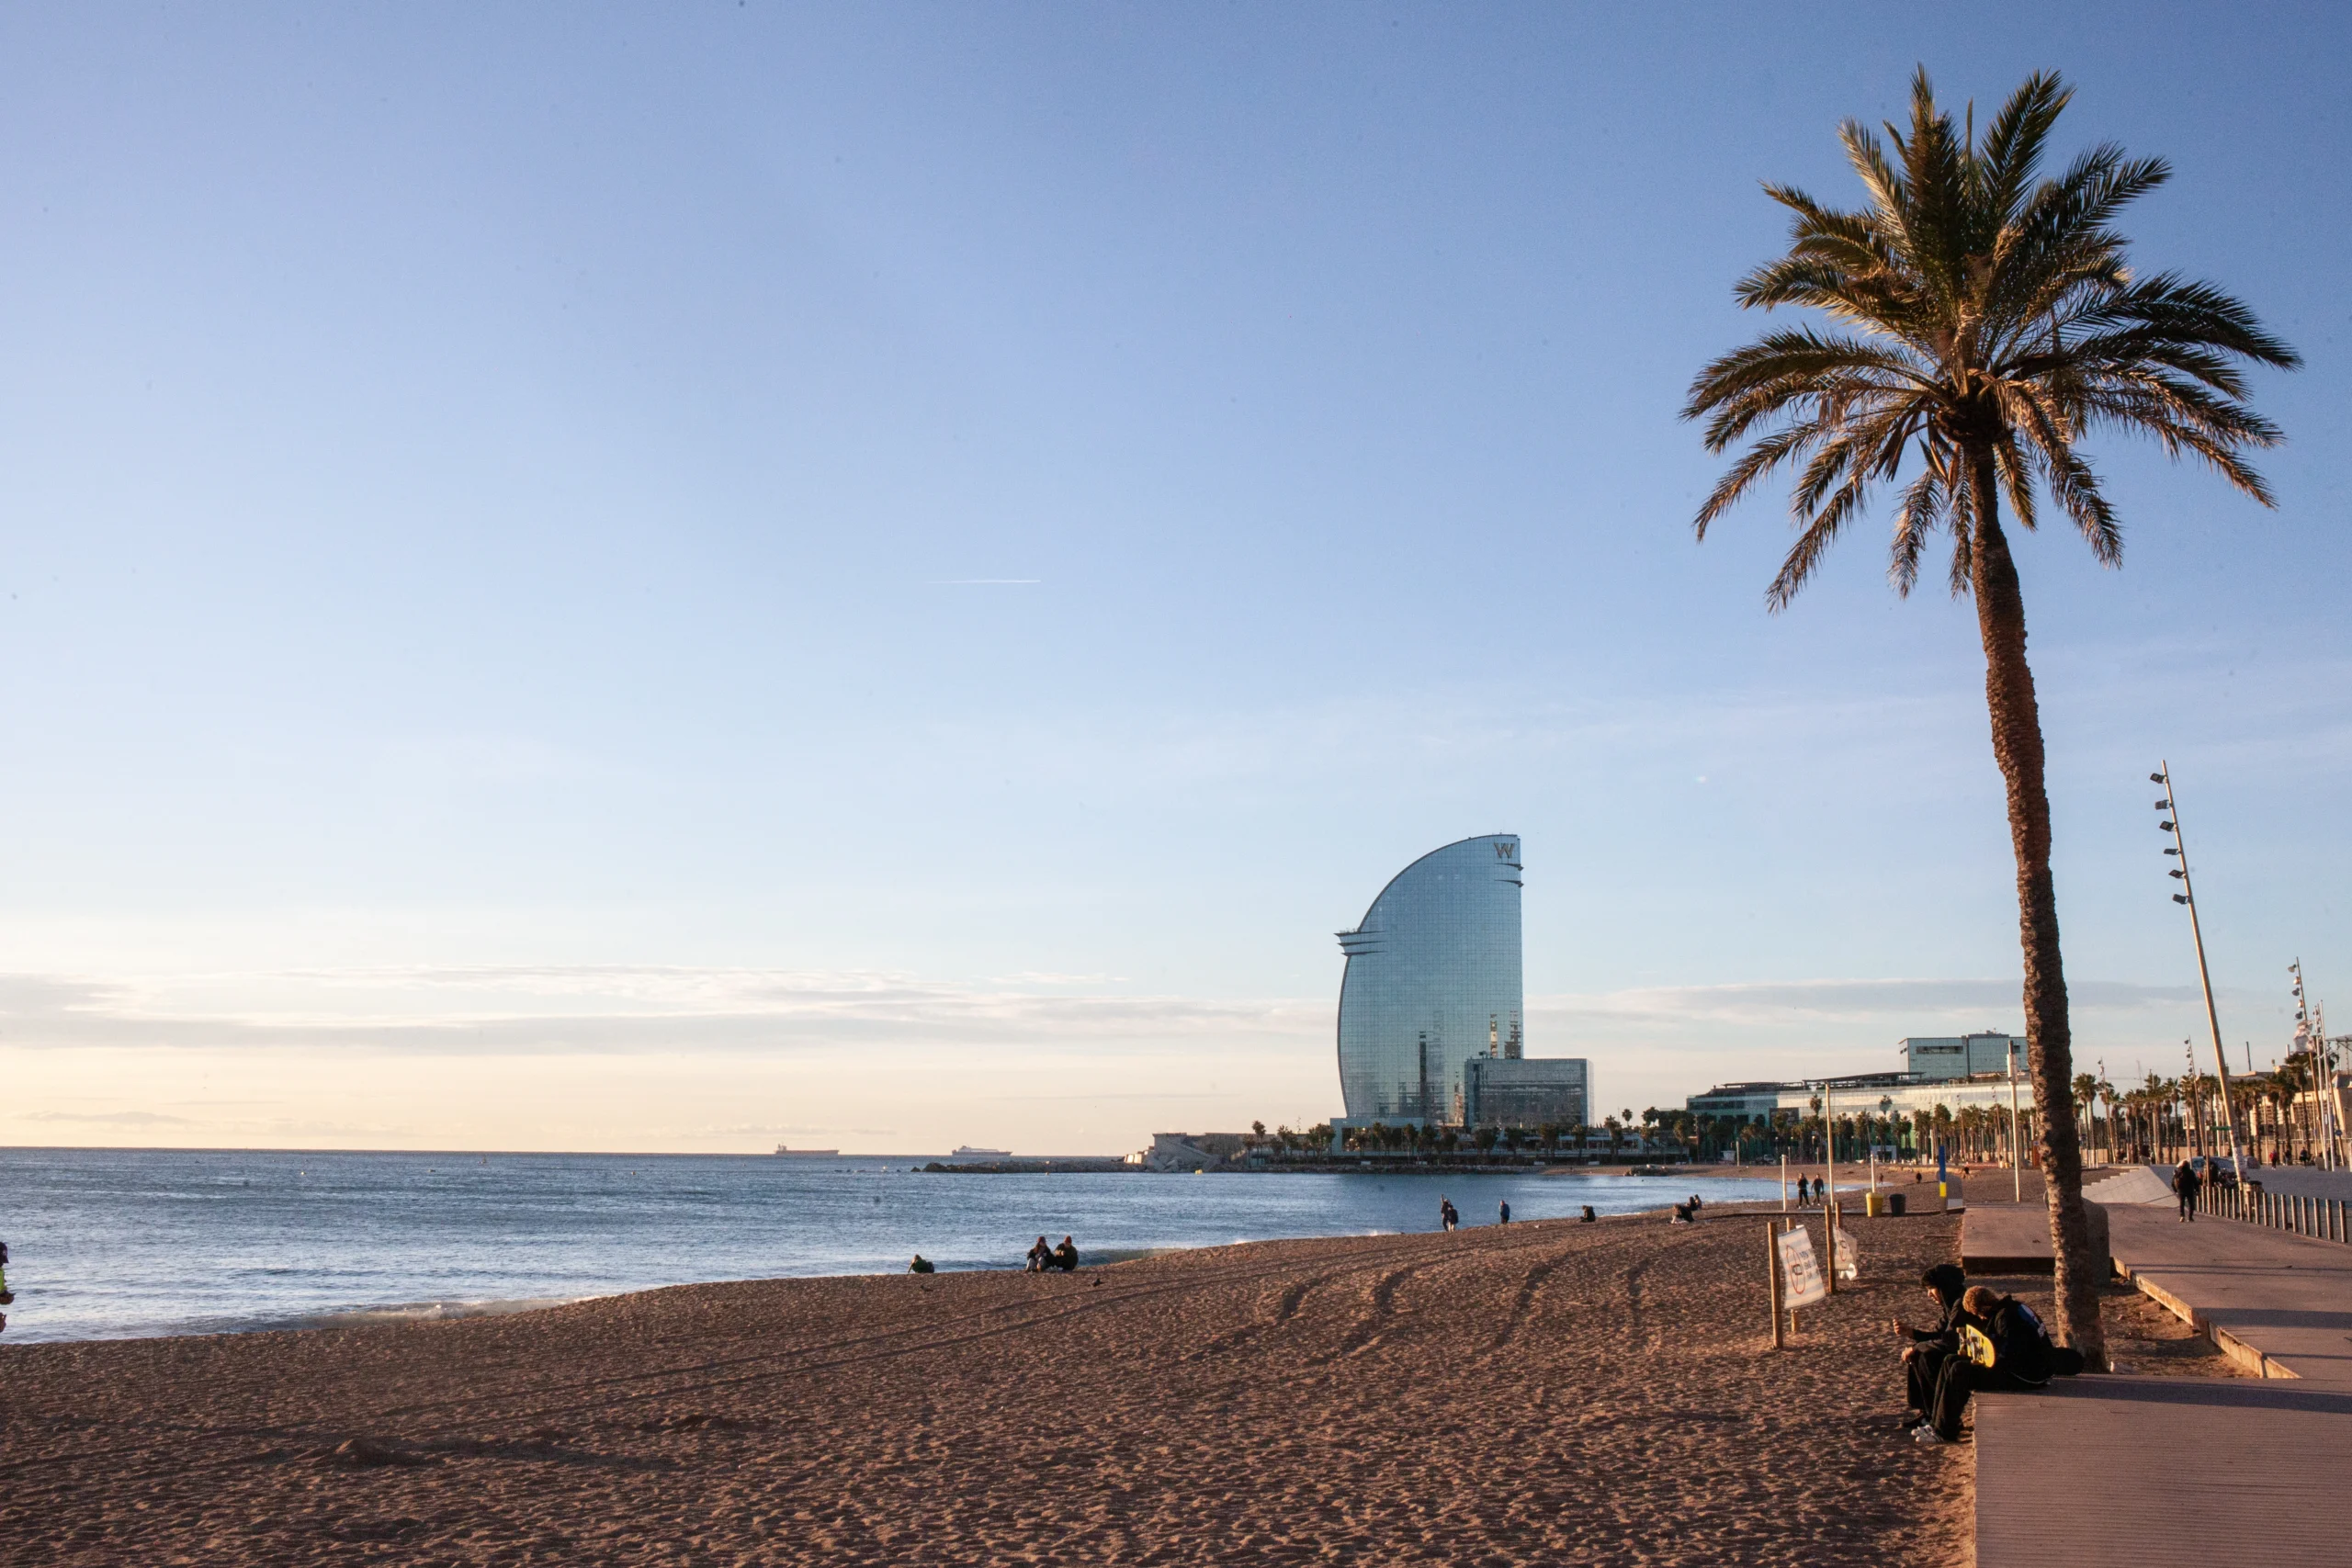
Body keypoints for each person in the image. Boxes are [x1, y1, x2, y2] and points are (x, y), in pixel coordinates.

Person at [1917, 1285, 2055, 1444]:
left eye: (1979, 1315)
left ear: (1982, 1308)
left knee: (1959, 1370)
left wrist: (1984, 1356)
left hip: (2027, 1375)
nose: (1982, 1319)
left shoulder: (2006, 1318)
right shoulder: (2012, 1307)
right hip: (2025, 1368)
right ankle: (1936, 1422)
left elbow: (2010, 1354)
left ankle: (1944, 1431)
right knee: (1950, 1360)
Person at [1891, 1264, 1968, 1432]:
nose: (1929, 1294)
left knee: (1925, 1355)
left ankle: (1940, 1415)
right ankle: (1928, 1413)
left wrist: (1917, 1348)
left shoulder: (1960, 1305)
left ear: (1943, 1287)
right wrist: (1913, 1334)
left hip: (1967, 1354)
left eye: (1932, 1289)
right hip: (1957, 1348)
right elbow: (1939, 1334)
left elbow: (1950, 1342)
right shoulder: (1951, 1303)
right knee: (1919, 1353)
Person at [2173, 1159, 2201, 1223]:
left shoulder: (2178, 1172)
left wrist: (2176, 1190)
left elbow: (2173, 1182)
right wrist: (2197, 1190)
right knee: (2191, 1203)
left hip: (2180, 1190)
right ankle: (2190, 1217)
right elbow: (2195, 1181)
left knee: (2181, 1203)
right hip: (2189, 1190)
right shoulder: (2190, 1172)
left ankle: (2182, 1216)